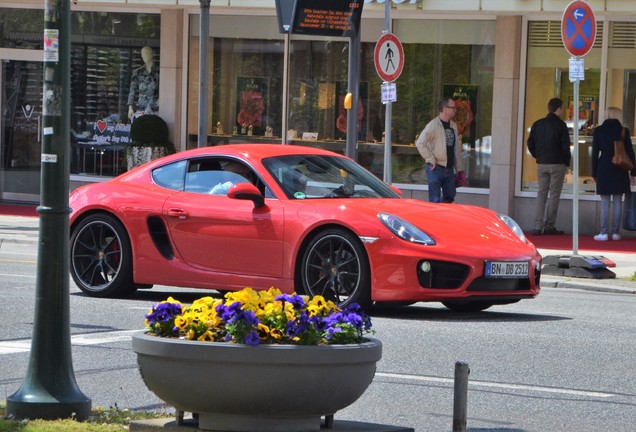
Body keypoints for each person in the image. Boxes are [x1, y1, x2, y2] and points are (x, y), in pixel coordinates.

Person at [527, 97, 571, 235]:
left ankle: (537, 225)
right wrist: (566, 162)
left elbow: (530, 143)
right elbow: (565, 146)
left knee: (541, 193)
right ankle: (549, 225)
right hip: (557, 163)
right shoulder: (561, 125)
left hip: (542, 163)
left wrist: (538, 156)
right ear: (559, 109)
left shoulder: (538, 124)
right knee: (554, 195)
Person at [591, 107, 636, 241]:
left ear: (607, 114)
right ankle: (616, 233)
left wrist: (594, 173)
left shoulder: (599, 130)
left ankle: (603, 232)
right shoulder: (624, 131)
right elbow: (630, 153)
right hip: (620, 168)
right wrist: (633, 172)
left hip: (604, 167)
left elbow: (594, 154)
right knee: (617, 201)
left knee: (605, 202)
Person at [415, 98, 463, 203]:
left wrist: (459, 168)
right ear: (445, 109)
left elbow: (456, 148)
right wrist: (431, 159)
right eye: (453, 107)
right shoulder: (433, 125)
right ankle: (435, 216)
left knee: (450, 195)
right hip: (435, 168)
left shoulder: (453, 125)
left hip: (449, 168)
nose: (455, 110)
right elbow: (420, 143)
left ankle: (440, 211)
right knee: (434, 199)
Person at [128, 46, 159, 119]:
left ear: (151, 54)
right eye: (142, 54)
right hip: (141, 106)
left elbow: (165, 88)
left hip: (155, 107)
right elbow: (132, 90)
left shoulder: (159, 71)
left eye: (146, 53)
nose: (144, 56)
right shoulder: (138, 72)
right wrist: (130, 107)